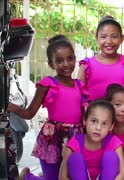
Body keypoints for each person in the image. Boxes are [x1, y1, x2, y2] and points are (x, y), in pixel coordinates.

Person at [8, 35, 88, 180]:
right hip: (52, 139)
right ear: (51, 64)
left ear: (75, 59)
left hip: (75, 138)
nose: (66, 64)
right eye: (59, 60)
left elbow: (84, 117)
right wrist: (13, 108)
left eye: (70, 58)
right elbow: (29, 113)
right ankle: (27, 177)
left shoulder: (80, 86)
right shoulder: (48, 84)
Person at [59, 100, 124, 180]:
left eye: (104, 124)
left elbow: (123, 175)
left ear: (111, 126)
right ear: (85, 121)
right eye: (94, 121)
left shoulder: (114, 142)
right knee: (76, 158)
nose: (98, 128)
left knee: (110, 157)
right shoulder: (74, 144)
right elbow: (62, 177)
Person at [78, 15, 124, 102]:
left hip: (121, 114)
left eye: (114, 36)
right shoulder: (87, 65)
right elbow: (79, 95)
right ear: (97, 38)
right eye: (103, 37)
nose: (109, 41)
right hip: (94, 114)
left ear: (121, 38)